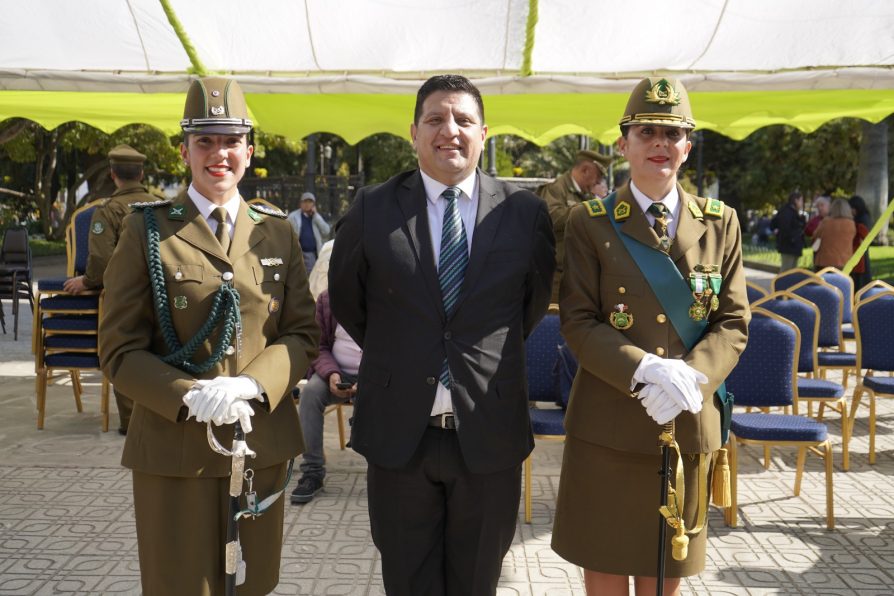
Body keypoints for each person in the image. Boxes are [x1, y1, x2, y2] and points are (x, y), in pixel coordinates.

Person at [329, 74, 555, 596]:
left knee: (477, 582)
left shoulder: (525, 214)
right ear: (413, 132)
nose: (448, 130)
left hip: (488, 433)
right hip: (399, 435)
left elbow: (528, 308)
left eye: (463, 120)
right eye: (435, 119)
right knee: (407, 582)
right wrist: (406, 349)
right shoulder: (372, 207)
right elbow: (349, 301)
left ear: (484, 133)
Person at [99, 76, 320, 596]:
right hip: (175, 449)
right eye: (205, 141)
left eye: (230, 141)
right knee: (181, 585)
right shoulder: (146, 230)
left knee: (252, 583)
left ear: (249, 150)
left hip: (259, 443)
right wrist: (189, 395)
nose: (218, 154)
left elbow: (302, 334)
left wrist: (252, 385)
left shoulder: (278, 230)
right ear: (184, 150)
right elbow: (118, 349)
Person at [551, 77, 749, 595]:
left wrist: (690, 377)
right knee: (607, 566)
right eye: (647, 132)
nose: (659, 143)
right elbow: (577, 318)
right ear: (624, 144)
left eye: (672, 132)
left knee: (667, 574)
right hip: (608, 427)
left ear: (687, 146)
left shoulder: (720, 222)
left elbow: (732, 321)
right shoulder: (588, 223)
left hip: (685, 423)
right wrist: (644, 369)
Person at [63, 143, 159, 434]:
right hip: (164, 294)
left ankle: (132, 423)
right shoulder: (161, 205)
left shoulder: (109, 210)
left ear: (112, 174)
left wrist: (88, 281)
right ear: (141, 173)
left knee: (125, 353)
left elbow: (102, 262)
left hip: (126, 296)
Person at [290, 288, 360, 504]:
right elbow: (317, 346)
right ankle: (312, 472)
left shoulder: (383, 297)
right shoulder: (328, 299)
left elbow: (391, 348)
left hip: (375, 375)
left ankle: (384, 472)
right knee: (310, 393)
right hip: (334, 372)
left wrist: (369, 379)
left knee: (382, 398)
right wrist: (332, 373)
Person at [537, 150, 612, 302]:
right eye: (598, 176)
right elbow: (552, 219)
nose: (598, 182)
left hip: (580, 275)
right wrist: (589, 208)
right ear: (585, 170)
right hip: (557, 275)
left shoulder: (587, 194)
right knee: (555, 320)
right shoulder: (555, 189)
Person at [287, 191, 330, 273]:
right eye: (305, 201)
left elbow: (326, 231)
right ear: (300, 203)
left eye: (310, 202)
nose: (307, 204)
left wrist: (316, 216)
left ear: (313, 205)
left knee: (312, 277)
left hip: (314, 253)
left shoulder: (316, 217)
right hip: (299, 254)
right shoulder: (293, 216)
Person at [813, 197, 858, 270]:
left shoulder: (826, 222)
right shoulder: (851, 224)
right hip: (844, 261)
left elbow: (815, 236)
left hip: (825, 261)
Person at [770, 191, 806, 272]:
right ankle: (781, 284)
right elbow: (785, 228)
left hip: (793, 245)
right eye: (801, 200)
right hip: (789, 245)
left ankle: (789, 284)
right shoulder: (787, 212)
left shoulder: (792, 212)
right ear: (796, 200)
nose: (802, 203)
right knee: (786, 269)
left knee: (792, 270)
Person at [848, 195, 873, 290]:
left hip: (859, 253)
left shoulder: (863, 218)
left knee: (860, 280)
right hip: (857, 253)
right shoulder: (862, 217)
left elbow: (865, 235)